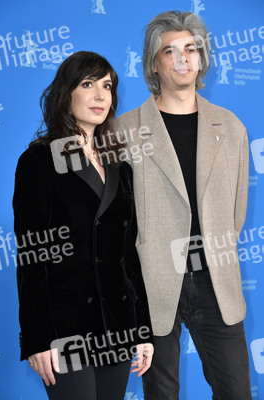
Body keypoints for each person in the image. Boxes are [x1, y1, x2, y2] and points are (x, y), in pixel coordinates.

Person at [114, 11, 252, 400]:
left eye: (190, 49)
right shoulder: (124, 131)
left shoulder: (231, 127)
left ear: (201, 58)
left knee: (237, 392)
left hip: (215, 279)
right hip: (151, 282)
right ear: (153, 64)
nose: (182, 59)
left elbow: (236, 211)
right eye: (169, 51)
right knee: (161, 394)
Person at [13, 51, 153, 400]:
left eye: (107, 86)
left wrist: (143, 330)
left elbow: (129, 257)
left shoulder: (120, 166)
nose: (100, 95)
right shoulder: (40, 160)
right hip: (66, 328)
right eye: (88, 84)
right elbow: (32, 256)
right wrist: (37, 337)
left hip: (117, 325)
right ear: (66, 93)